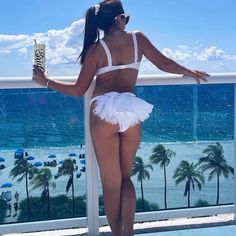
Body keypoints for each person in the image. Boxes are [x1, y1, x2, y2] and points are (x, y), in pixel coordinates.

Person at [33, 1, 209, 235]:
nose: (127, 23)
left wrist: (45, 81)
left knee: (111, 183)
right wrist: (189, 71)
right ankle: (129, 233)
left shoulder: (96, 49)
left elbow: (78, 90)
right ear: (118, 19)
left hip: (104, 111)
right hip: (130, 110)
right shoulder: (138, 39)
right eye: (126, 18)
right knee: (126, 178)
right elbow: (164, 63)